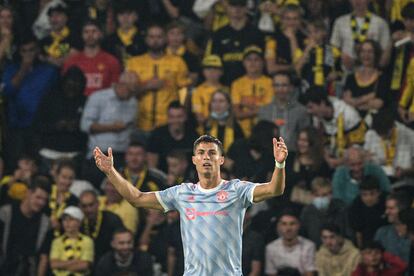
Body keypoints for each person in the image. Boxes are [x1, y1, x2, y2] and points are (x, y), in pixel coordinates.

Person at [93, 134, 288, 275]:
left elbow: (274, 189)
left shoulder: (237, 190)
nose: (206, 157)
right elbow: (137, 198)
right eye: (201, 153)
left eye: (212, 153)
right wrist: (110, 172)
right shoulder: (182, 193)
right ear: (194, 160)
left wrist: (279, 165)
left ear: (221, 159)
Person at [2, 35, 58, 171]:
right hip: (16, 128)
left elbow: (56, 96)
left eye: (31, 50)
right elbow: (6, 91)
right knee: (16, 166)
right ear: (18, 52)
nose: (28, 54)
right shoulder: (11, 69)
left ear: (38, 50)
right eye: (24, 51)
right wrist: (23, 69)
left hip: (41, 130)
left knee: (39, 167)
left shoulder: (48, 71)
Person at [126, 23, 190, 133]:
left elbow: (184, 90)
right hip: (140, 122)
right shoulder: (134, 62)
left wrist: (181, 116)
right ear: (146, 39)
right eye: (151, 37)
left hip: (167, 122)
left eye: (159, 37)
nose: (155, 40)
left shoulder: (177, 62)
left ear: (165, 39)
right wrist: (146, 86)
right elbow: (127, 92)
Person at [80, 72, 137, 187]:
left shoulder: (133, 102)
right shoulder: (98, 98)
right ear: (120, 84)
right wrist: (112, 127)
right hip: (99, 156)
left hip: (121, 157)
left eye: (133, 91)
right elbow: (85, 125)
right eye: (129, 90)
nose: (131, 94)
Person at [0, 176, 51, 276]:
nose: (41, 203)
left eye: (44, 200)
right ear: (28, 193)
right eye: (38, 197)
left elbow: (43, 258)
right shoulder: (6, 213)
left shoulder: (45, 223)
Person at [206, 0, 265, 85]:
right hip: (224, 83)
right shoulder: (219, 34)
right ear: (227, 8)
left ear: (246, 8)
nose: (237, 9)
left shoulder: (256, 34)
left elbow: (262, 62)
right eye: (233, 5)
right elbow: (214, 62)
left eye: (241, 5)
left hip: (251, 84)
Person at [62, 20, 121, 96]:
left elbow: (114, 91)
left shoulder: (112, 61)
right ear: (82, 35)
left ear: (100, 34)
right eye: (86, 32)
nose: (90, 35)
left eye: (94, 31)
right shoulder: (71, 62)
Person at [330, 0, 390, 70]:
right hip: (347, 72)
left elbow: (385, 55)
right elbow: (331, 48)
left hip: (372, 72)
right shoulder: (340, 22)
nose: (357, 1)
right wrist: (330, 70)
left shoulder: (380, 23)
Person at [258, 71, 310, 151]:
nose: (280, 89)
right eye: (277, 85)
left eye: (284, 85)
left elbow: (306, 138)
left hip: (292, 155)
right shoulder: (264, 110)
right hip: (268, 156)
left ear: (291, 87)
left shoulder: (301, 111)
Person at [231, 45, 273, 138]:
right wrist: (258, 108)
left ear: (263, 63)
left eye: (256, 59)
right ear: (244, 63)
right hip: (241, 132)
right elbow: (237, 114)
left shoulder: (270, 83)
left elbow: (268, 110)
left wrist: (245, 104)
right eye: (249, 59)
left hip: (264, 130)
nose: (252, 63)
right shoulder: (237, 84)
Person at [147, 101, 199, 173]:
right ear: (168, 118)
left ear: (185, 117)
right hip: (162, 178)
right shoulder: (157, 135)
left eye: (179, 117)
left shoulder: (193, 136)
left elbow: (198, 164)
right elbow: (152, 167)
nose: (175, 120)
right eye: (172, 117)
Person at [342, 40, 388, 120]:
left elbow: (378, 104)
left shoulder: (382, 78)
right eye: (363, 51)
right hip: (352, 121)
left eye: (370, 52)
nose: (366, 55)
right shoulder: (351, 78)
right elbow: (346, 101)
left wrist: (355, 102)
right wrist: (367, 98)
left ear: (376, 55)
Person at [364, 109, 414, 179]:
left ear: (392, 126)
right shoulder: (371, 133)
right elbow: (366, 155)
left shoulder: (410, 136)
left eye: (385, 134)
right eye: (379, 134)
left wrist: (405, 171)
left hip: (402, 179)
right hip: (376, 177)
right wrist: (366, 157)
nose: (382, 137)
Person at [300, 177, 350, 247]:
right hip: (314, 252)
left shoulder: (341, 208)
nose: (321, 199)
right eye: (317, 195)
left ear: (331, 194)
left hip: (340, 251)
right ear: (312, 195)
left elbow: (348, 234)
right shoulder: (307, 212)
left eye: (324, 195)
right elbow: (303, 236)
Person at [265, 209, 316, 276]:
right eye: (284, 224)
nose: (288, 228)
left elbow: (310, 273)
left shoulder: (309, 246)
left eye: (292, 224)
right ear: (279, 227)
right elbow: (271, 273)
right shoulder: (271, 248)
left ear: (298, 225)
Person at [295, 18, 341, 91]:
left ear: (324, 32)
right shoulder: (302, 49)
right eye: (310, 32)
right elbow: (296, 69)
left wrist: (336, 75)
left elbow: (340, 71)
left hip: (325, 88)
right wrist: (307, 49)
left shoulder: (332, 50)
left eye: (316, 32)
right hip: (306, 87)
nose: (313, 35)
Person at [79, 190, 124, 262]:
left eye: (91, 205)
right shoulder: (80, 224)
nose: (88, 209)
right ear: (80, 207)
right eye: (84, 206)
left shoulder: (112, 220)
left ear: (98, 204)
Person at [50, 206, 94, 276]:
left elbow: (84, 265)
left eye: (71, 219)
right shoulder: (57, 241)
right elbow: (53, 264)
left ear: (79, 222)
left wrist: (62, 265)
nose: (67, 223)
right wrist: (74, 261)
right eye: (64, 220)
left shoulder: (87, 241)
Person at [265, 4, 306, 74]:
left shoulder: (305, 39)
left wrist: (292, 39)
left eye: (295, 19)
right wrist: (292, 67)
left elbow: (300, 69)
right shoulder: (273, 39)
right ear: (282, 20)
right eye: (288, 19)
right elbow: (271, 68)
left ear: (300, 20)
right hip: (278, 80)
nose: (291, 22)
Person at [348, 176, 387, 248]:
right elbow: (358, 232)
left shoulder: (387, 203)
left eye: (372, 194)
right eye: (364, 194)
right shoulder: (356, 205)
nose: (368, 198)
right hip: (367, 242)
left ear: (379, 193)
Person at [103, 2, 146, 66]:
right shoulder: (109, 40)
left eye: (129, 14)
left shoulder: (144, 38)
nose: (125, 18)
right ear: (117, 17)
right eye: (121, 14)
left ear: (136, 16)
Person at [374, 193, 412, 263]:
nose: (386, 212)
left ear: (403, 210)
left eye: (391, 208)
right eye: (386, 208)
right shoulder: (382, 233)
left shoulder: (411, 234)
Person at [191, 55, 225, 126]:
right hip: (205, 130)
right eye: (208, 68)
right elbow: (199, 117)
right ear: (203, 71)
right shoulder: (198, 91)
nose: (211, 71)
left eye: (215, 68)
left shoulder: (226, 90)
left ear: (221, 72)